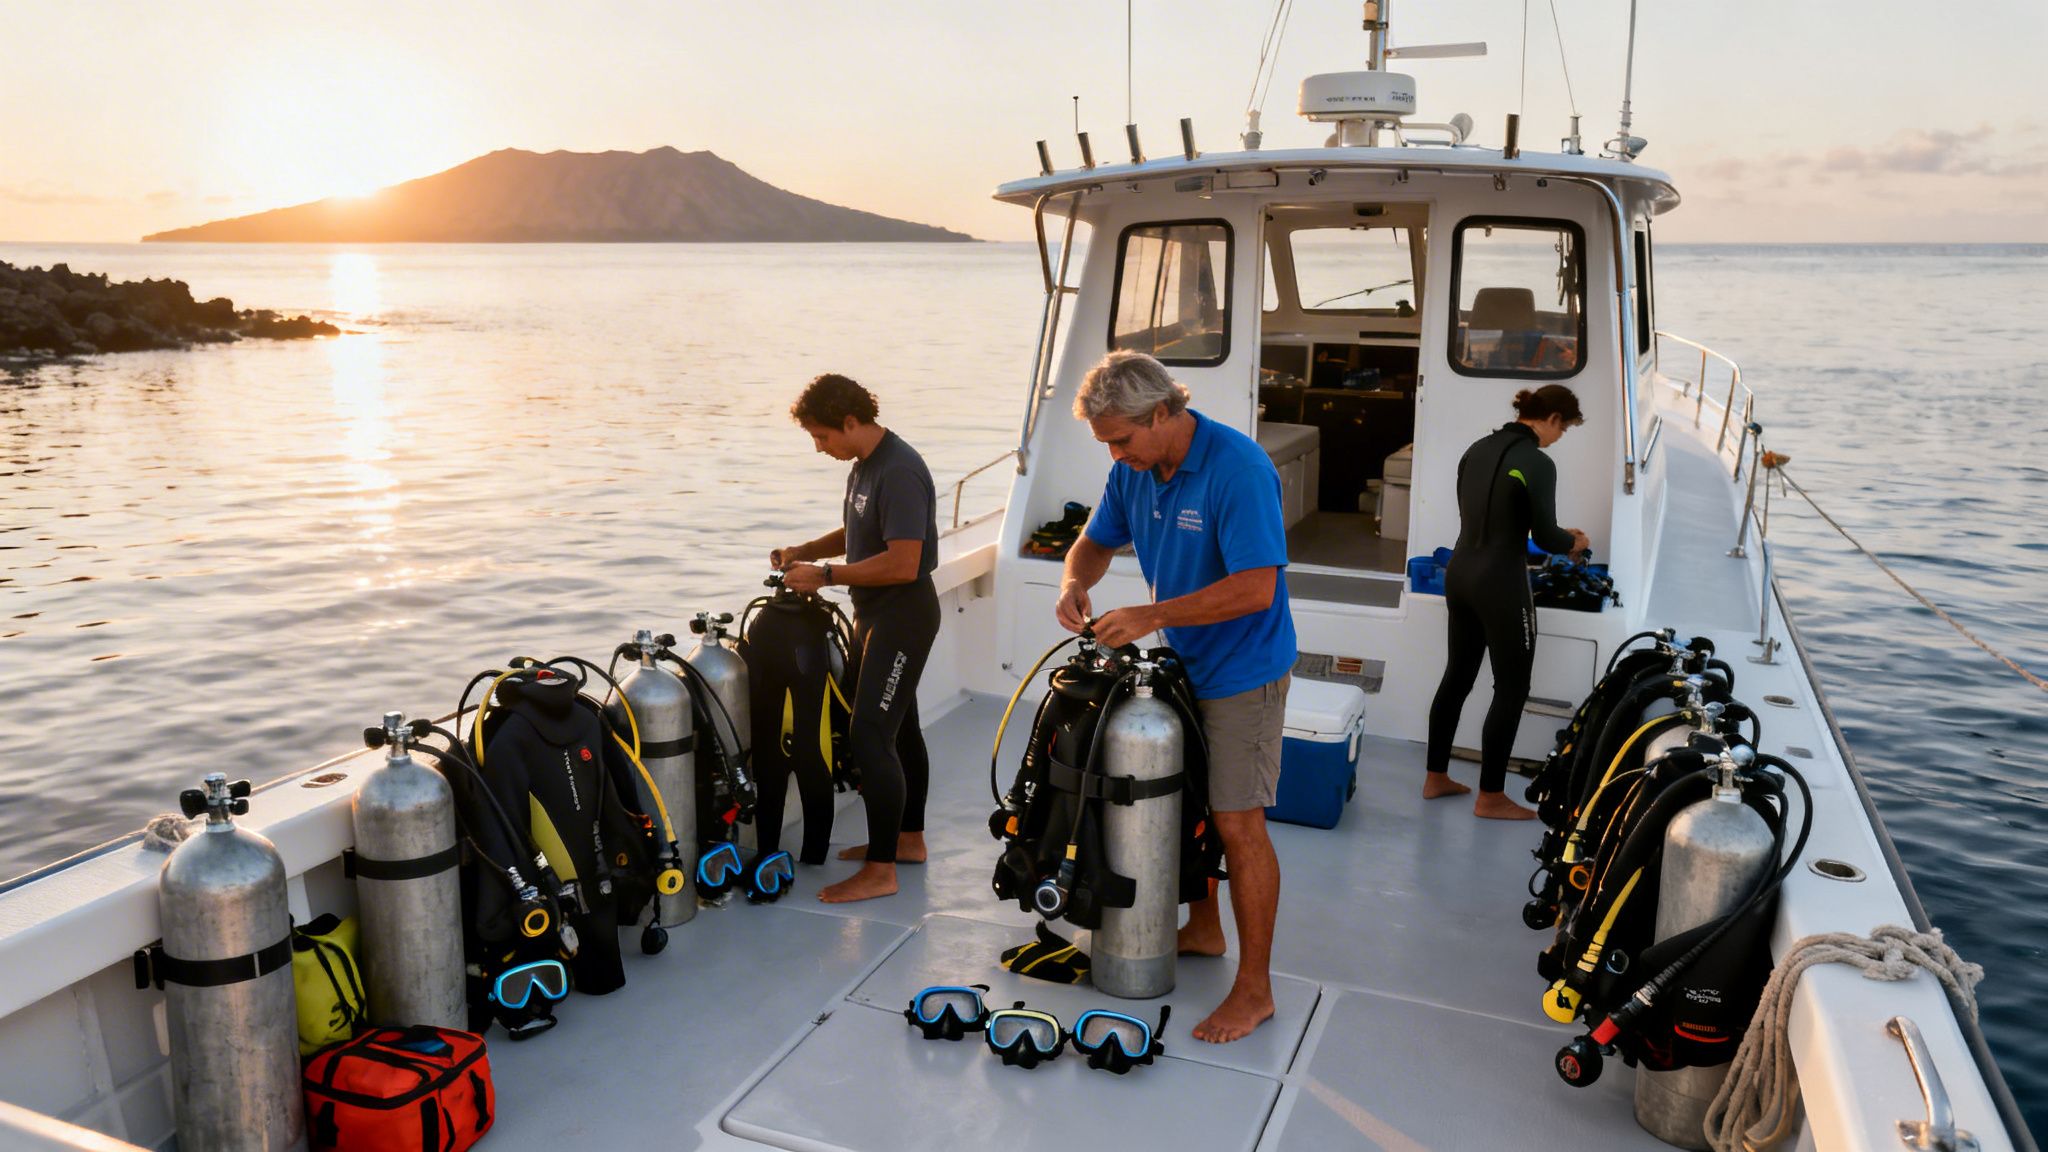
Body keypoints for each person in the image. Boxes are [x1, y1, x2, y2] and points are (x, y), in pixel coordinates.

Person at [1054, 350, 1297, 1044]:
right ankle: (1206, 928)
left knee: (1238, 823)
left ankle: (1255, 991)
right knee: (1190, 805)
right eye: (1104, 442)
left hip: (1243, 670)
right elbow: (1092, 544)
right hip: (1183, 662)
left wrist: (1152, 616)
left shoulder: (1239, 468)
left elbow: (1257, 589)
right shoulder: (1134, 467)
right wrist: (1076, 582)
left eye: (1121, 439)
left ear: (1164, 412)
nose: (1114, 452)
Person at [772, 374, 941, 903]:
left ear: (851, 422)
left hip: (902, 617)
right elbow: (857, 530)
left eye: (823, 436)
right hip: (876, 616)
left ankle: (882, 869)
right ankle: (908, 841)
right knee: (901, 727)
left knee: (871, 735)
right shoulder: (866, 466)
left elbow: (903, 561)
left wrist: (825, 576)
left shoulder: (900, 469)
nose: (820, 448)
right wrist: (807, 548)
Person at [1424, 384, 1589, 819]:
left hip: (1459, 575)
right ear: (1551, 418)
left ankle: (1435, 777)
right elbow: (1546, 537)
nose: (1560, 436)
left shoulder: (1475, 450)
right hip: (1500, 583)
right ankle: (1491, 797)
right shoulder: (1537, 461)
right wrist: (1575, 540)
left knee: (1457, 676)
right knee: (1511, 687)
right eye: (1565, 428)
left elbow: (1484, 514)